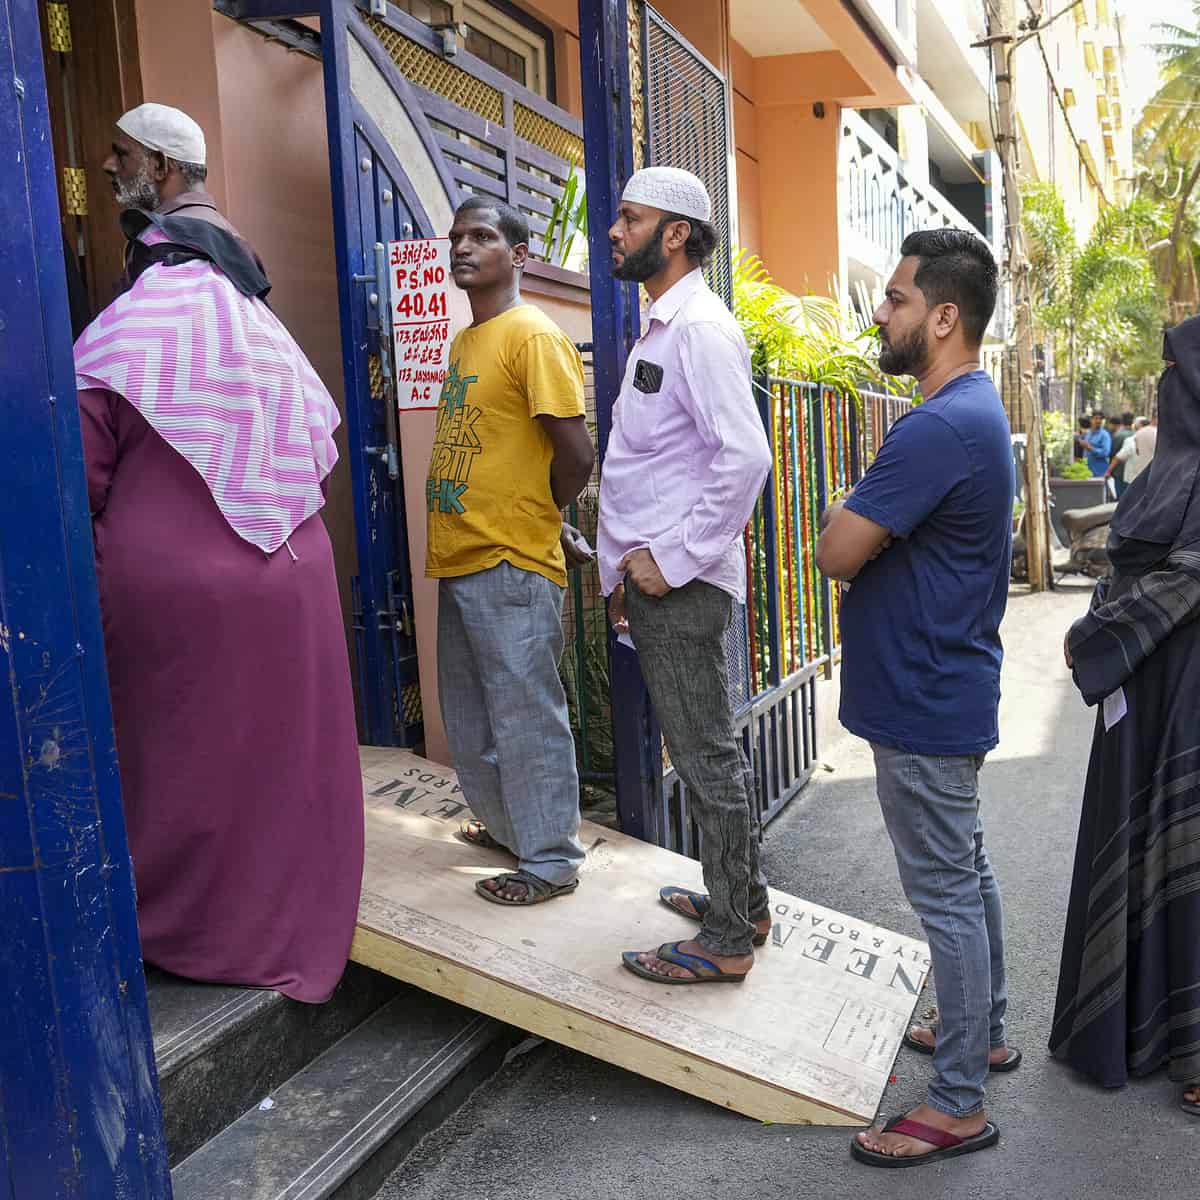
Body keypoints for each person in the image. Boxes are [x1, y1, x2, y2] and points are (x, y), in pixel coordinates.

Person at [73, 104, 364, 1003]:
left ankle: (185, 930)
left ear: (159, 172)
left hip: (177, 593)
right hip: (293, 574)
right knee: (276, 768)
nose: (110, 164)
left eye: (121, 155)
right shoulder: (261, 333)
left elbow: (75, 479)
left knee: (182, 765)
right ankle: (290, 925)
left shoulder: (121, 336)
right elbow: (317, 445)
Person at [816, 229, 1016, 1167]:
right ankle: (984, 1030)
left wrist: (850, 518)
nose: (881, 313)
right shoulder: (971, 413)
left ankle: (960, 1102)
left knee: (944, 891)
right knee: (965, 877)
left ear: (944, 317)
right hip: (945, 686)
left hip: (927, 696)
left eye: (896, 299)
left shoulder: (939, 425)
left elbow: (834, 550)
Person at [596, 167, 772, 987]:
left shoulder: (698, 329)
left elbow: (746, 459)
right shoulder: (666, 325)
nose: (613, 231)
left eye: (629, 218)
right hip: (667, 580)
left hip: (684, 582)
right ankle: (744, 901)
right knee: (709, 752)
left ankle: (730, 937)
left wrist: (663, 563)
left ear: (675, 234)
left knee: (704, 758)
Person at [426, 195, 594, 907]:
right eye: (458, 236)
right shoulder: (469, 341)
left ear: (518, 255)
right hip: (461, 555)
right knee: (471, 716)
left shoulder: (533, 335)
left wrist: (539, 515)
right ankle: (509, 830)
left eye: (483, 236)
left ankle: (551, 859)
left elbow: (575, 456)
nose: (464, 246)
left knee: (526, 715)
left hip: (509, 559)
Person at [1052, 317, 1200, 1119]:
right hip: (1141, 689)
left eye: (1174, 371)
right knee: (1135, 842)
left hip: (1185, 694)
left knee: (1184, 854)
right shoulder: (1169, 465)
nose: (1163, 388)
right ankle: (1134, 1028)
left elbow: (1189, 576)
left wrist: (1097, 635)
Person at [1105, 414, 1150, 492]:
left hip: (1123, 475)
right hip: (1145, 476)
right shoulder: (1153, 438)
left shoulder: (1126, 438)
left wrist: (1109, 471)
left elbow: (1116, 456)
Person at [1108, 411, 1136, 496]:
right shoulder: (1136, 434)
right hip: (1132, 473)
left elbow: (1112, 454)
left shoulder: (1118, 435)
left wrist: (1109, 471)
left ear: (1122, 421)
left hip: (1119, 473)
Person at [1084, 410, 1113, 477]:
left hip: (1099, 472)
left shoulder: (1104, 435)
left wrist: (1090, 448)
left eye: (1100, 419)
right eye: (1096, 418)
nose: (1098, 421)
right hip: (1087, 471)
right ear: (1091, 419)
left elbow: (1105, 453)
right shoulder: (1088, 433)